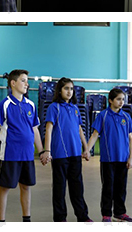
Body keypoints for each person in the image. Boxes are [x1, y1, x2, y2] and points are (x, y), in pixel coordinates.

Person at [0, 69, 46, 222]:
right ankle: (1, 221)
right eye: (23, 80)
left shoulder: (31, 105)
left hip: (27, 155)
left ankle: (26, 220)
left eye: (27, 80)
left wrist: (43, 151)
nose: (27, 84)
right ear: (13, 83)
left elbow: (35, 130)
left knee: (26, 186)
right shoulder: (4, 105)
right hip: (10, 154)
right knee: (5, 187)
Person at [42, 77, 92, 222]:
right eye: (66, 88)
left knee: (77, 188)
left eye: (71, 89)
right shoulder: (54, 107)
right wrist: (47, 150)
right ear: (59, 90)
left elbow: (79, 129)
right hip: (59, 155)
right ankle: (60, 219)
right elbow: (49, 129)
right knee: (59, 189)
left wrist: (86, 148)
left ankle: (82, 216)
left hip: (75, 154)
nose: (69, 91)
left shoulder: (75, 108)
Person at [86, 88, 132, 222]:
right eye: (118, 99)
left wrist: (131, 157)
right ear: (110, 100)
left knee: (121, 188)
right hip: (108, 159)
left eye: (123, 100)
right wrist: (87, 150)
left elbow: (130, 138)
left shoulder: (126, 117)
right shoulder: (103, 116)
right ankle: (106, 214)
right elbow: (95, 134)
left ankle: (120, 212)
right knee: (108, 187)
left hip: (123, 159)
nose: (121, 102)